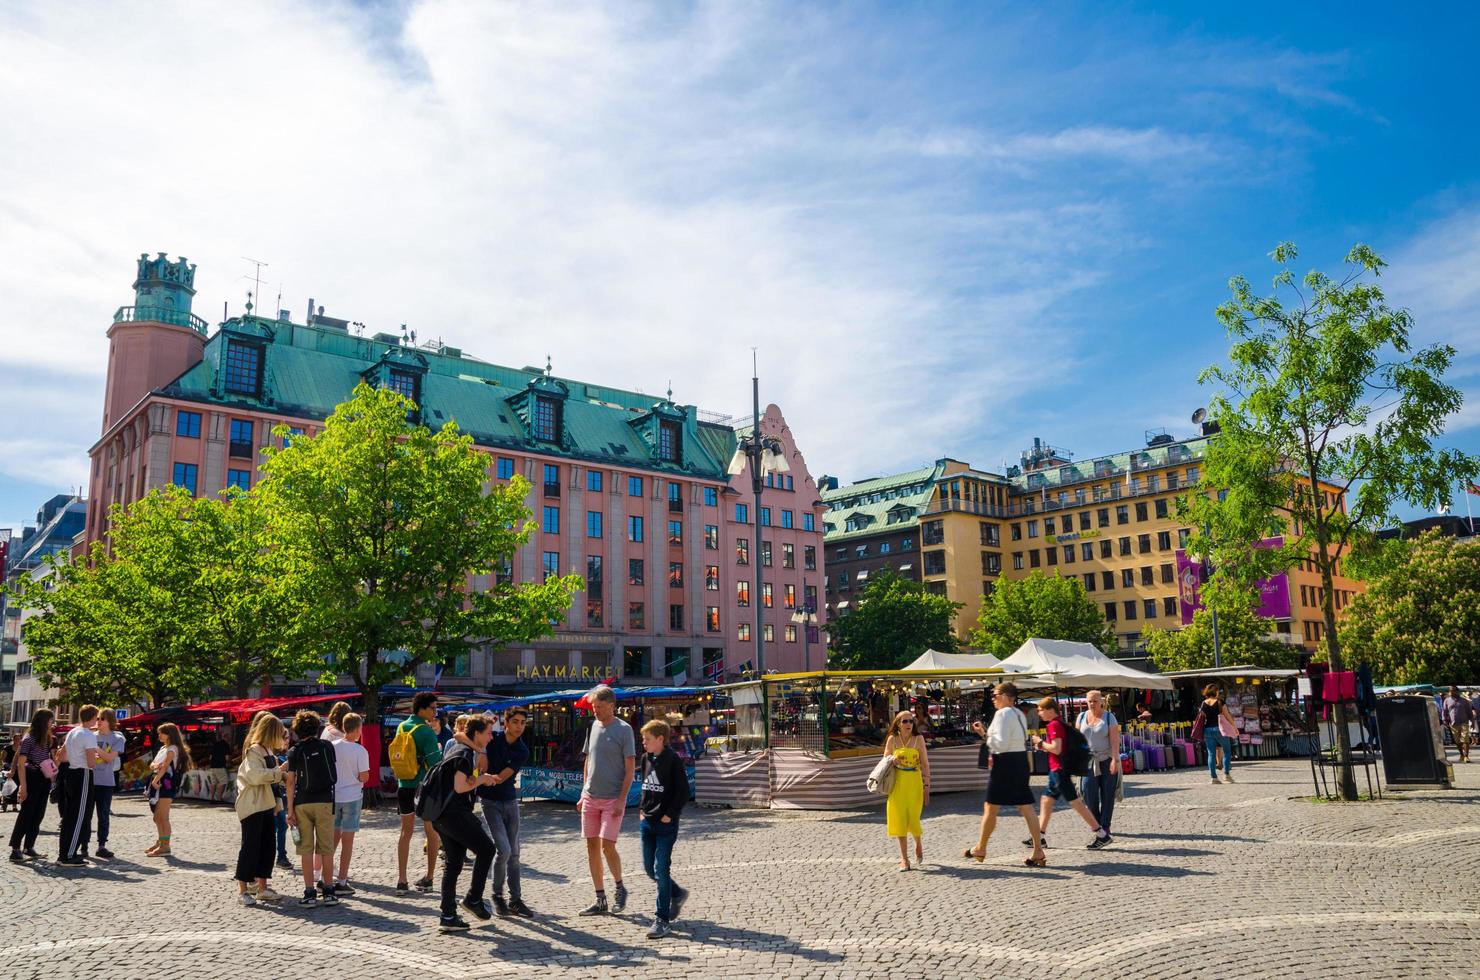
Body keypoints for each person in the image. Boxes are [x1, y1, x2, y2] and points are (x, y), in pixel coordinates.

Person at [429, 715, 500, 932]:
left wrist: (479, 775)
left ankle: (448, 915)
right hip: (454, 814)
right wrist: (483, 779)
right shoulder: (464, 753)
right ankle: (473, 899)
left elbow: (463, 780)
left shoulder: (459, 749)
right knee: (487, 849)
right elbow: (460, 786)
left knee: (454, 863)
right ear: (477, 733)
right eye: (488, 733)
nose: (490, 737)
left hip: (441, 815)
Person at [964, 683, 1044, 867]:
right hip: (1020, 761)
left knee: (991, 807)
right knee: (1026, 806)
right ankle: (1038, 849)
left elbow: (1000, 744)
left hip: (1005, 763)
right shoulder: (1018, 714)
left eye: (995, 694)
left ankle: (981, 848)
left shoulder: (1002, 713)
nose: (993, 698)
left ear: (1007, 696)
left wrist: (984, 733)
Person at [577, 684, 636, 916]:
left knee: (607, 846)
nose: (595, 711)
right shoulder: (592, 726)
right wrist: (583, 792)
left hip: (612, 798)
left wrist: (622, 800)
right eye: (594, 707)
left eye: (599, 707)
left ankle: (620, 887)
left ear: (612, 705)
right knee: (591, 846)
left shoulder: (624, 730)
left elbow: (630, 769)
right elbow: (587, 761)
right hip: (591, 797)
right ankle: (599, 898)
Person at [1029, 699, 1111, 850]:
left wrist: (1040, 743)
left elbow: (1057, 748)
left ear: (1050, 710)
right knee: (1046, 800)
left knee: (1076, 803)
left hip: (1060, 770)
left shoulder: (1053, 725)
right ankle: (1039, 836)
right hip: (1057, 770)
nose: (1039, 713)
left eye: (1041, 710)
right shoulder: (1058, 723)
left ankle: (1101, 834)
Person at [477, 707, 534, 918]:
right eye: (516, 721)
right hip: (489, 801)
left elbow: (502, 776)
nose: (519, 726)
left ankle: (515, 900)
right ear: (506, 722)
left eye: (523, 722)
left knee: (515, 853)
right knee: (504, 850)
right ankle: (497, 896)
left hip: (509, 800)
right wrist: (482, 752)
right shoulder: (492, 738)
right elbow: (462, 734)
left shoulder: (523, 750)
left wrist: (486, 776)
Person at [638, 719, 689, 938]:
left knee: (661, 869)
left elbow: (683, 791)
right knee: (650, 869)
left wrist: (670, 814)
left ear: (660, 739)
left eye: (647, 739)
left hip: (666, 824)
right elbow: (646, 787)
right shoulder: (646, 757)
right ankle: (677, 893)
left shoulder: (673, 760)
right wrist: (642, 810)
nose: (643, 743)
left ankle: (662, 919)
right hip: (647, 822)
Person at [284, 710, 339, 907]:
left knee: (305, 849)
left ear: (297, 730)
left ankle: (309, 892)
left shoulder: (295, 751)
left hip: (302, 803)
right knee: (326, 848)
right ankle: (330, 891)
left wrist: (290, 810)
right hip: (325, 800)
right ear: (317, 728)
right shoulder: (327, 746)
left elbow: (290, 782)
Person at [234, 712, 287, 906]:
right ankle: (243, 891)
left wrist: (277, 805)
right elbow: (256, 777)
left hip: (266, 805)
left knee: (267, 848)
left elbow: (272, 784)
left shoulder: (268, 751)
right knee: (250, 847)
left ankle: (262, 888)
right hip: (253, 806)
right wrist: (279, 772)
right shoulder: (254, 751)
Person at [395, 691, 444, 893]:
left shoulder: (402, 726)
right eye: (433, 708)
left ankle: (402, 879)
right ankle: (429, 877)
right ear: (422, 709)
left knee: (405, 832)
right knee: (431, 831)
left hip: (403, 785)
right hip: (424, 786)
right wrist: (438, 746)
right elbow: (436, 763)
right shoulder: (425, 731)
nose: (435, 712)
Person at [882, 710, 929, 871]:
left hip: (914, 782)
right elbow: (884, 760)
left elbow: (924, 762)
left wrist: (927, 784)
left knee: (913, 817)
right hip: (897, 783)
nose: (909, 724)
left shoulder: (918, 739)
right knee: (898, 818)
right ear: (897, 724)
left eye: (911, 721)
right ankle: (904, 859)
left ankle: (918, 842)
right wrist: (891, 759)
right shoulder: (892, 740)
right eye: (905, 722)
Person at [330, 713, 372, 894]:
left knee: (331, 840)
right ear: (356, 729)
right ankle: (342, 880)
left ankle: (325, 876)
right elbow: (364, 776)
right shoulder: (360, 751)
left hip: (334, 796)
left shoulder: (332, 746)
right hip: (352, 797)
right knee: (347, 841)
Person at [8, 709, 56, 862]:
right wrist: (24, 787)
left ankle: (29, 846)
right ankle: (15, 849)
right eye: (50, 720)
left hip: (44, 778)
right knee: (26, 814)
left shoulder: (48, 738)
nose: (52, 723)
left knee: (38, 814)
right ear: (43, 721)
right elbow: (22, 764)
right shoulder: (28, 739)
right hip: (32, 777)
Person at [57, 704, 101, 865]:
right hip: (83, 774)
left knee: (69, 815)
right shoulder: (88, 735)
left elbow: (62, 756)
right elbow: (91, 762)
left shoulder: (72, 732)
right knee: (80, 816)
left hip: (71, 772)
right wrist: (95, 759)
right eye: (97, 716)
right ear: (92, 717)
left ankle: (65, 852)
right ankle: (68, 855)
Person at [1076, 690, 1122, 838]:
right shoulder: (1081, 716)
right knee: (1088, 791)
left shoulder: (1109, 718)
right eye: (1089, 701)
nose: (1092, 704)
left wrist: (1115, 760)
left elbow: (1115, 741)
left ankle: (1105, 825)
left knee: (1108, 794)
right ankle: (1097, 823)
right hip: (1088, 761)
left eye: (1095, 701)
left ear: (1101, 701)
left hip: (1107, 759)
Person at [146, 722, 191, 857]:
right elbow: (152, 765)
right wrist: (155, 767)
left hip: (166, 783)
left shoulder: (172, 749)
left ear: (169, 734)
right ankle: (161, 841)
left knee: (163, 816)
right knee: (157, 817)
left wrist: (155, 779)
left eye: (161, 733)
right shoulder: (163, 748)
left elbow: (164, 766)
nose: (158, 735)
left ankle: (165, 845)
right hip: (159, 780)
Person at [92, 709, 125, 860]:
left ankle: (101, 846)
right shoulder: (91, 735)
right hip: (90, 780)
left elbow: (109, 758)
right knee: (85, 815)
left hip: (105, 781)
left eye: (102, 718)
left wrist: (96, 748)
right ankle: (84, 845)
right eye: (98, 718)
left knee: (103, 815)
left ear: (110, 720)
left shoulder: (117, 737)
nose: (99, 721)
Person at [1200, 685, 1239, 784]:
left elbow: (1202, 717)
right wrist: (1234, 727)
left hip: (1207, 730)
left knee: (1211, 754)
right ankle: (1226, 775)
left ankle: (1214, 778)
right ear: (1216, 692)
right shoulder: (1220, 702)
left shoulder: (1203, 703)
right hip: (1220, 730)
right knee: (1227, 751)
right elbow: (1227, 715)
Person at [1440, 686, 1474, 763]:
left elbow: (1469, 712)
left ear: (1457, 691)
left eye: (1452, 691)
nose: (1451, 692)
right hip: (1453, 724)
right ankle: (1461, 755)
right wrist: (1445, 721)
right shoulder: (1447, 701)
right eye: (1450, 691)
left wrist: (1472, 722)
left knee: (1465, 739)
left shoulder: (1464, 701)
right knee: (1457, 741)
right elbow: (1444, 712)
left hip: (1464, 722)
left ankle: (1466, 756)